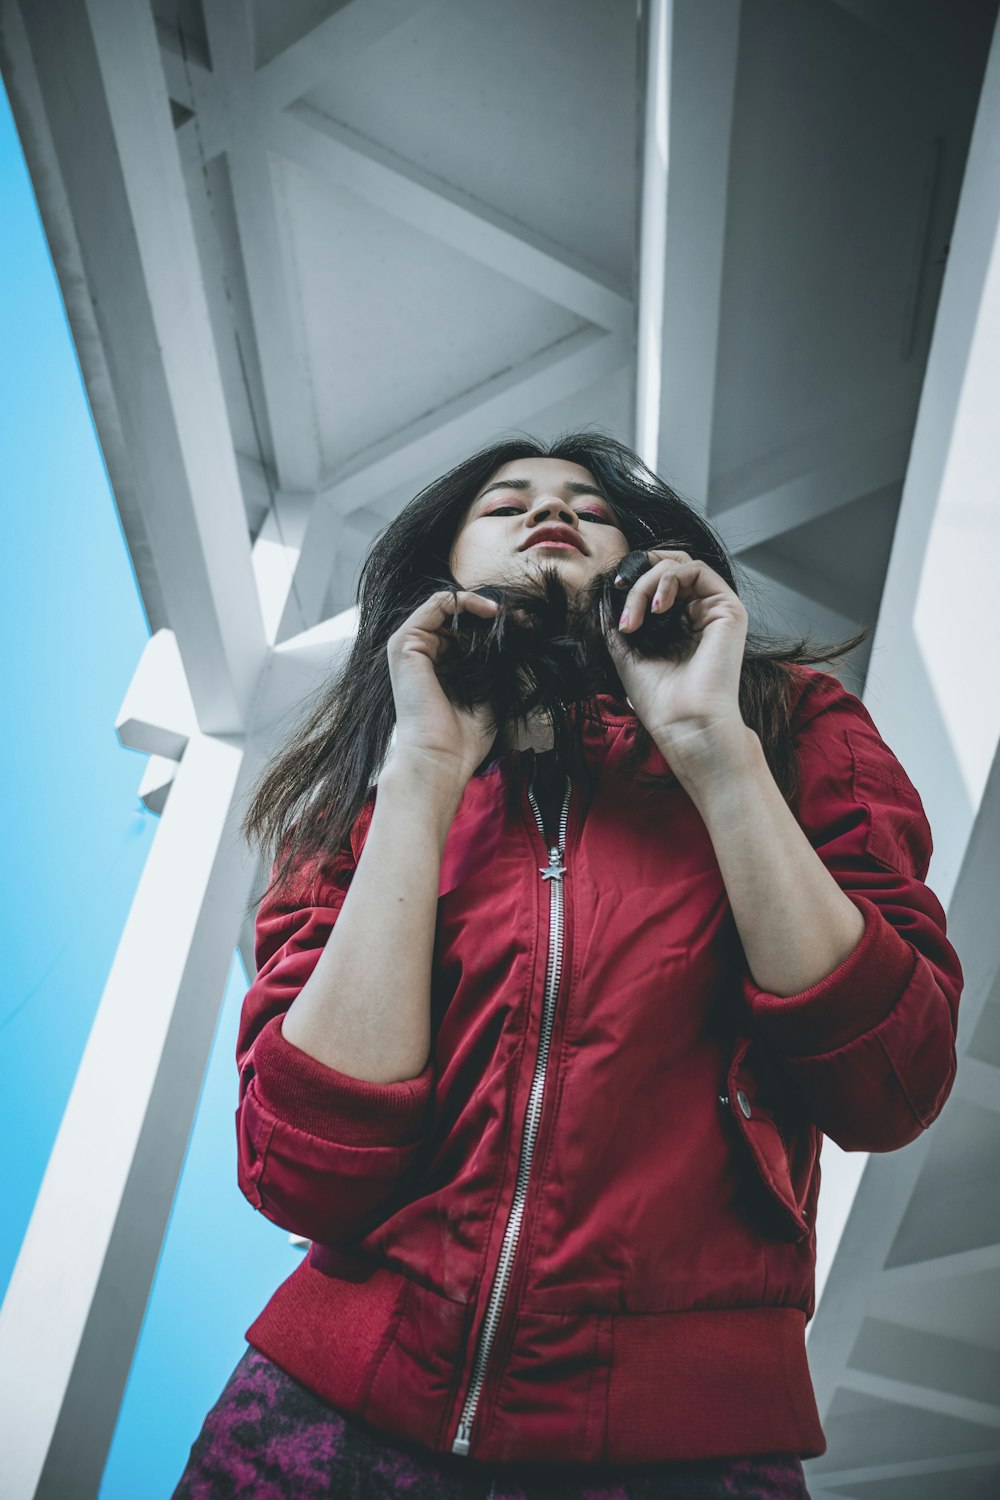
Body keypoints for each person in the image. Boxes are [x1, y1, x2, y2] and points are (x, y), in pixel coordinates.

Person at [171, 432, 963, 1499]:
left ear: (646, 557)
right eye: (506, 502)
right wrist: (422, 775)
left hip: (680, 1452)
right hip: (322, 1428)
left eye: (593, 507)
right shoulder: (358, 804)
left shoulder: (793, 728)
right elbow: (302, 1167)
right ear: (439, 570)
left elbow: (890, 1082)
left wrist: (711, 746)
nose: (553, 510)